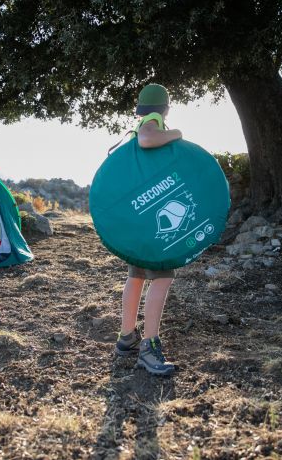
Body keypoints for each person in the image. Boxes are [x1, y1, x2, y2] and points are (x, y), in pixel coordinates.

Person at [114, 83, 182, 376]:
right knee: (163, 277)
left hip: (141, 218)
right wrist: (176, 134)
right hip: (154, 220)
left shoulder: (141, 121)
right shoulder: (152, 123)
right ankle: (148, 347)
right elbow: (147, 139)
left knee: (137, 276)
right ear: (165, 109)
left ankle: (127, 337)